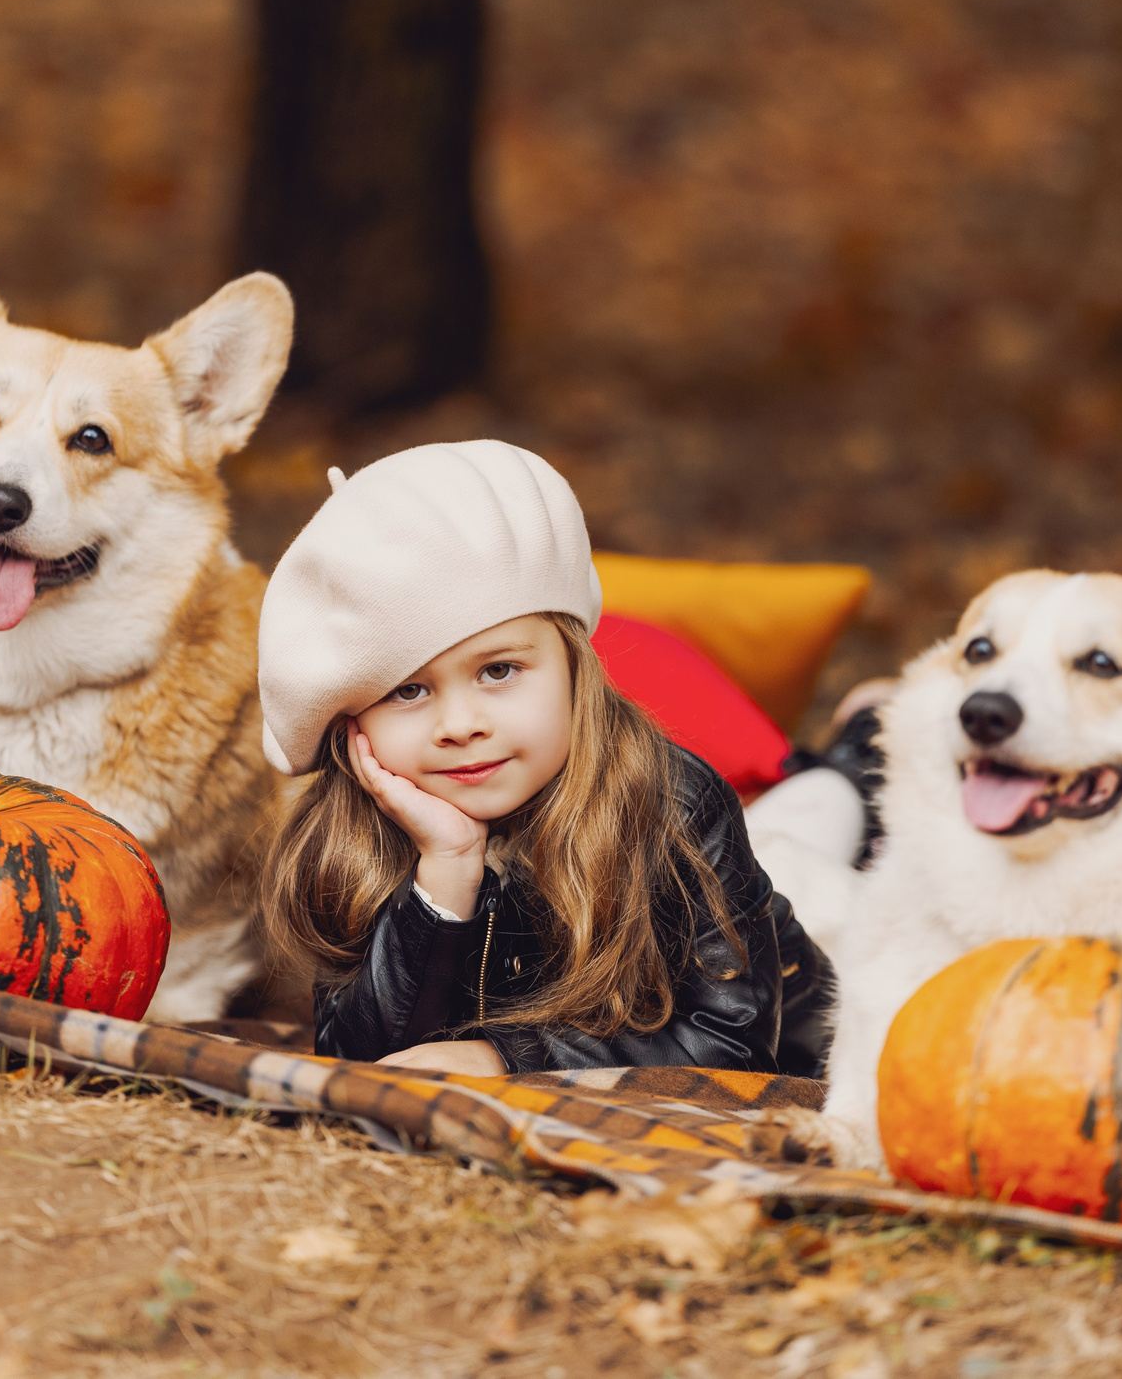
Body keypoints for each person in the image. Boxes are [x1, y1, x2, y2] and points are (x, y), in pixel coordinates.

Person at [256, 440, 833, 1078]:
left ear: (574, 666)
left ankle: (853, 747)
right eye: (408, 691)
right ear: (353, 723)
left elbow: (732, 1045)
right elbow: (357, 1065)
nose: (460, 725)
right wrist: (444, 874)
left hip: (802, 976)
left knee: (826, 817)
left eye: (498, 670)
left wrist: (506, 1058)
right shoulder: (358, 834)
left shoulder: (676, 801)